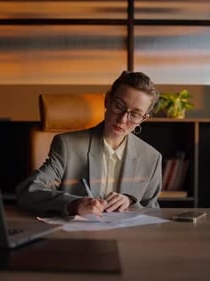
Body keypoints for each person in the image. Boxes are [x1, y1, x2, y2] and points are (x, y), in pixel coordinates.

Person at [16, 71, 162, 216]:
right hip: (79, 235)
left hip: (126, 237)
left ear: (143, 119)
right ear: (107, 101)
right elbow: (29, 190)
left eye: (135, 114)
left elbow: (152, 210)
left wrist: (131, 202)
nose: (123, 120)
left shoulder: (151, 158)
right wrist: (73, 204)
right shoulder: (68, 147)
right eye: (118, 106)